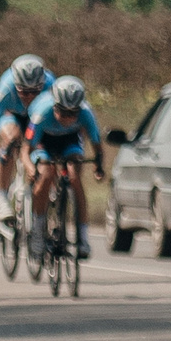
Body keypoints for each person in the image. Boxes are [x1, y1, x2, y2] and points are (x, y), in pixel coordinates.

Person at [23, 74, 106, 261]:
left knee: (75, 177)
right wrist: (30, 167)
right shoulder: (41, 112)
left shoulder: (86, 113)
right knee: (46, 174)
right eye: (62, 112)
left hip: (70, 141)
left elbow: (98, 148)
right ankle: (37, 232)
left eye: (72, 113)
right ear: (54, 105)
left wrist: (99, 167)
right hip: (44, 142)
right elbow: (25, 149)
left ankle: (83, 237)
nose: (67, 118)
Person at [0, 53, 49, 226]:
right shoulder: (6, 86)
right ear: (16, 85)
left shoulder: (51, 85)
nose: (30, 96)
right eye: (24, 92)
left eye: (35, 91)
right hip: (12, 115)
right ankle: (2, 197)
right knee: (11, 138)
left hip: (38, 118)